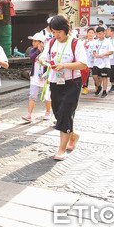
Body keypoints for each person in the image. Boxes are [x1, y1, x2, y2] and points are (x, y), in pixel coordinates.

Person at [39, 15, 87, 160]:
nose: (56, 35)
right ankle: (72, 135)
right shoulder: (52, 42)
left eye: (59, 32)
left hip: (72, 83)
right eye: (53, 32)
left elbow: (83, 64)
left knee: (66, 111)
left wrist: (64, 65)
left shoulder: (76, 43)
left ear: (66, 30)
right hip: (55, 82)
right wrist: (45, 61)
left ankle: (61, 149)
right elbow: (42, 58)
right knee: (58, 113)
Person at [22, 32, 51, 121]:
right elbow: (31, 57)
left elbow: (50, 63)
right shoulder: (32, 51)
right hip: (35, 76)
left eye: (35, 41)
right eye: (33, 41)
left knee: (47, 95)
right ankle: (29, 114)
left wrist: (49, 75)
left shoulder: (47, 52)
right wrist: (38, 50)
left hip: (45, 77)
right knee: (32, 95)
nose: (33, 43)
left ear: (41, 42)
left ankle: (48, 112)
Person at [92, 26, 112, 98]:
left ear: (104, 33)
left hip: (105, 62)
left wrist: (104, 54)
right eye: (98, 34)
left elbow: (111, 51)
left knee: (104, 77)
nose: (99, 35)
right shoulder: (96, 41)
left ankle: (104, 91)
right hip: (97, 61)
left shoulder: (108, 41)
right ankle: (99, 86)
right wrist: (95, 54)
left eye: (100, 34)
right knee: (94, 75)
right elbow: (94, 50)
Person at [82, 28, 96, 94]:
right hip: (86, 60)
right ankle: (85, 87)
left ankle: (97, 86)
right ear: (87, 34)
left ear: (94, 34)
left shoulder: (96, 42)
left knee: (95, 74)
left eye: (92, 33)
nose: (91, 34)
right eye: (89, 33)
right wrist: (84, 45)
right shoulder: (84, 42)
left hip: (95, 60)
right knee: (86, 74)